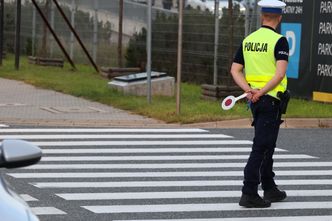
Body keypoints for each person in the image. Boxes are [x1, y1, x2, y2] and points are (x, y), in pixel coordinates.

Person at [230, 0, 289, 208]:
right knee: (262, 147)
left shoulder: (248, 40)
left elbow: (235, 70)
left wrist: (248, 90)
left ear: (263, 16)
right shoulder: (279, 41)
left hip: (254, 101)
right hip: (270, 100)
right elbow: (280, 74)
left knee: (267, 144)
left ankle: (270, 187)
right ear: (279, 17)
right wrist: (262, 92)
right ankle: (249, 192)